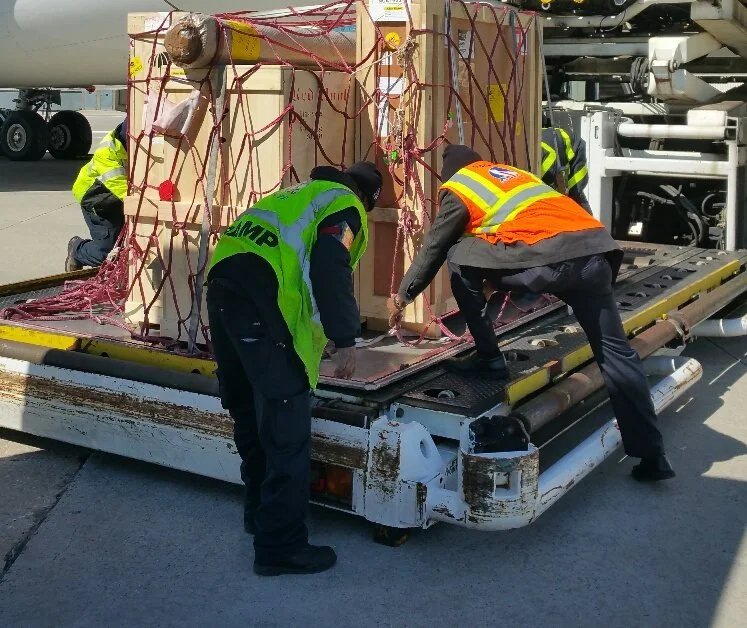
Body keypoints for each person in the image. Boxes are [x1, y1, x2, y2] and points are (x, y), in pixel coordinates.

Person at [387, 144, 674, 483]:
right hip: (595, 254)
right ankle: (652, 454)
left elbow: (435, 246)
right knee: (616, 355)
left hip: (548, 262)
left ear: (451, 172)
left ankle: (490, 360)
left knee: (458, 255)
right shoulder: (514, 176)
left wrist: (404, 296)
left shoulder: (461, 185)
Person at [206, 160, 382, 577]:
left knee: (249, 411)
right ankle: (280, 546)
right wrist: (345, 338)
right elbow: (327, 262)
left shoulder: (296, 194)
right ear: (368, 198)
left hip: (223, 288)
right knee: (286, 428)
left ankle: (258, 515)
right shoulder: (345, 206)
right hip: (259, 300)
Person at [66, 119, 127, 270]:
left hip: (113, 200)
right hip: (96, 201)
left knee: (123, 246)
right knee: (107, 254)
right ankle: (77, 249)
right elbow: (125, 193)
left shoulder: (132, 150)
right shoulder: (108, 154)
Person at [541, 119, 593, 214]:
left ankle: (590, 227)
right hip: (554, 151)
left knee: (575, 201)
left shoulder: (546, 162)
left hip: (575, 151)